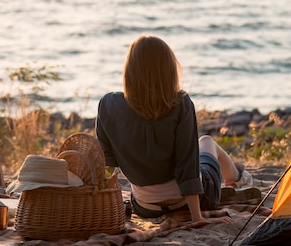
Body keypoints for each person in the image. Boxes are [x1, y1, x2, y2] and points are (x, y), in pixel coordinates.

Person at [96, 34, 254, 223]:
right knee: (207, 142)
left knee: (204, 149)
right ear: (168, 70)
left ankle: (235, 174)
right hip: (187, 203)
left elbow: (107, 164)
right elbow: (187, 164)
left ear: (129, 70)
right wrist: (197, 217)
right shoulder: (180, 103)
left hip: (145, 207)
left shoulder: (108, 105)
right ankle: (238, 177)